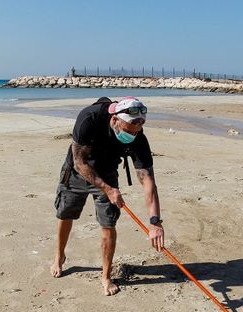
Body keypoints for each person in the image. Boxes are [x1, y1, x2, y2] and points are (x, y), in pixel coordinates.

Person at [50, 97, 164, 296]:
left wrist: (155, 222)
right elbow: (79, 162)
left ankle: (106, 276)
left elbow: (148, 181)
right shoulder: (89, 118)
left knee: (108, 224)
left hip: (108, 173)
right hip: (77, 171)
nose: (133, 133)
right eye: (129, 129)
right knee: (65, 214)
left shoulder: (139, 137)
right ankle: (59, 256)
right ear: (114, 120)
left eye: (138, 128)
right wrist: (109, 190)